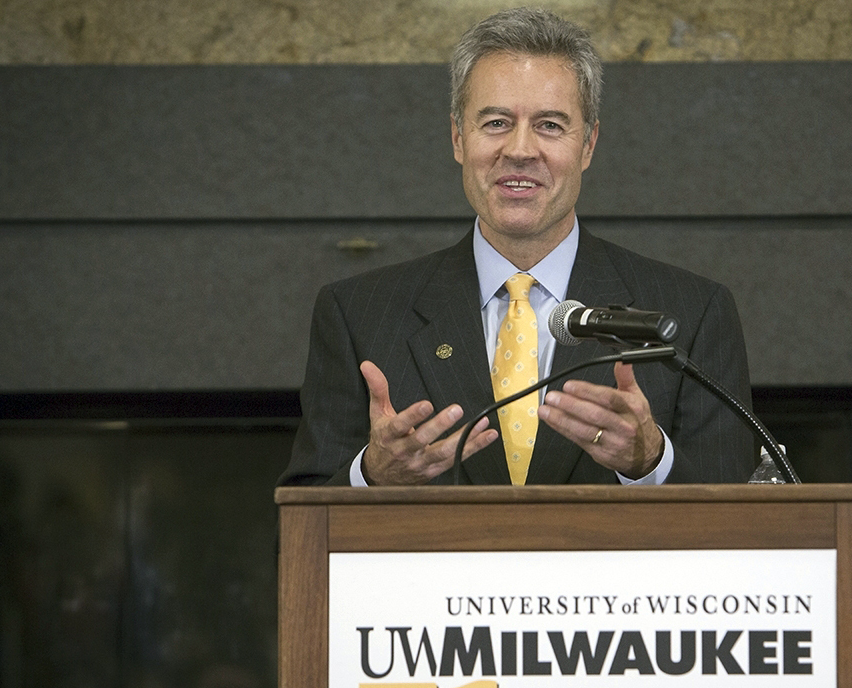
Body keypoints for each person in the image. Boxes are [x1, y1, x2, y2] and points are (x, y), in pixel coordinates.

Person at [278, 7, 754, 487]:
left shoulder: (692, 312)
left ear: (588, 145)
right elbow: (298, 529)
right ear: (458, 138)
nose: (521, 150)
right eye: (497, 123)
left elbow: (743, 532)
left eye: (549, 125)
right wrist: (371, 476)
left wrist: (650, 462)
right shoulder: (358, 312)